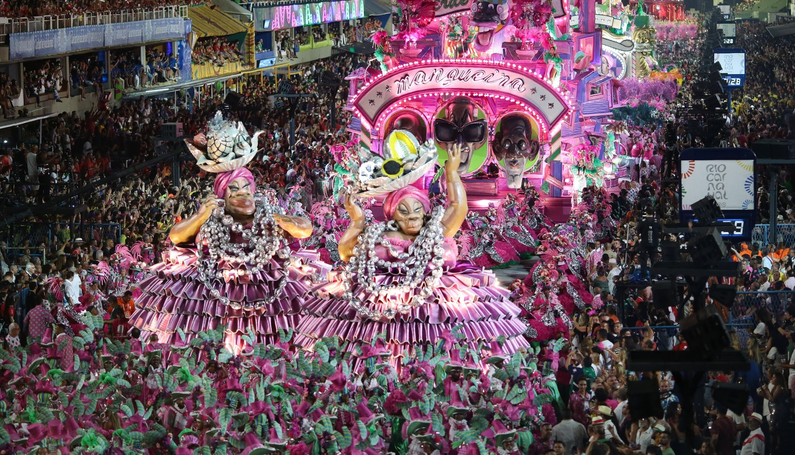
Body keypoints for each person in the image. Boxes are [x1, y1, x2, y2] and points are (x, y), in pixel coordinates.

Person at [296, 132, 527, 362]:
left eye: (418, 210)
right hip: (379, 312)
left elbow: (458, 207)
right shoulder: (380, 234)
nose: (412, 217)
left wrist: (452, 172)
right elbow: (346, 253)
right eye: (404, 211)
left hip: (436, 311)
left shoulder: (434, 231)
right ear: (392, 215)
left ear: (426, 211)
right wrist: (356, 220)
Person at [130, 113, 326, 354]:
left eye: (246, 187)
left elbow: (304, 229)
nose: (242, 193)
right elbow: (176, 237)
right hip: (217, 291)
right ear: (222, 195)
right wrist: (200, 216)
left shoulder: (269, 216)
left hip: (268, 289)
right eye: (233, 189)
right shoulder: (213, 219)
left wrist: (274, 218)